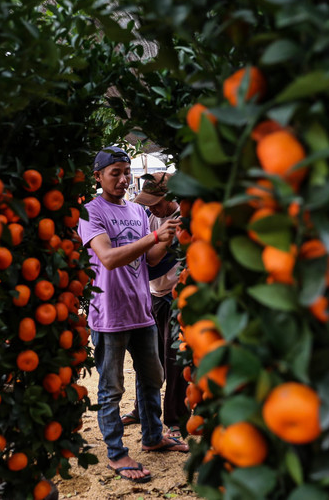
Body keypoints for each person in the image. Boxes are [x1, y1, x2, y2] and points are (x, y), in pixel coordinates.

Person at [78, 146, 189, 484]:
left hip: (141, 309)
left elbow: (150, 260)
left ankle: (153, 436)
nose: (123, 179)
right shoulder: (90, 212)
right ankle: (116, 453)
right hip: (109, 312)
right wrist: (154, 237)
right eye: (116, 173)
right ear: (98, 176)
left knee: (152, 377)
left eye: (126, 172)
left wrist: (167, 238)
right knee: (111, 387)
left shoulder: (138, 212)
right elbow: (109, 258)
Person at [121, 172, 185, 438]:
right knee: (148, 359)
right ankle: (142, 409)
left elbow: (153, 263)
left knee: (174, 361)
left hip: (176, 297)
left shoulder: (182, 221)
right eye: (148, 203)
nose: (152, 207)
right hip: (154, 296)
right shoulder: (150, 218)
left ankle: (175, 418)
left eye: (156, 202)